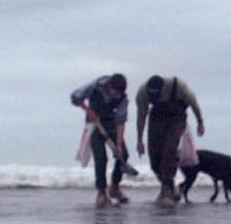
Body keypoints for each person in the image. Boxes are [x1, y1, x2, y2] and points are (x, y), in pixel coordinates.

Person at [135, 74, 205, 205]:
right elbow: (141, 116)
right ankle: (170, 187)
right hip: (156, 117)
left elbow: (193, 103)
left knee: (169, 150)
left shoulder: (179, 86)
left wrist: (200, 122)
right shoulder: (142, 93)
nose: (154, 98)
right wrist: (139, 140)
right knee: (155, 157)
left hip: (176, 117)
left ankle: (166, 190)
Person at [70, 73, 136, 205]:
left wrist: (118, 144)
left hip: (111, 123)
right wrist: (88, 110)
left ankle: (114, 188)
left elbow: (121, 122)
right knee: (101, 159)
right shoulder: (96, 86)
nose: (116, 95)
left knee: (123, 154)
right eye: (114, 92)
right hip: (94, 125)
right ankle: (101, 192)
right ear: (109, 86)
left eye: (119, 93)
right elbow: (75, 96)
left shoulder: (123, 98)